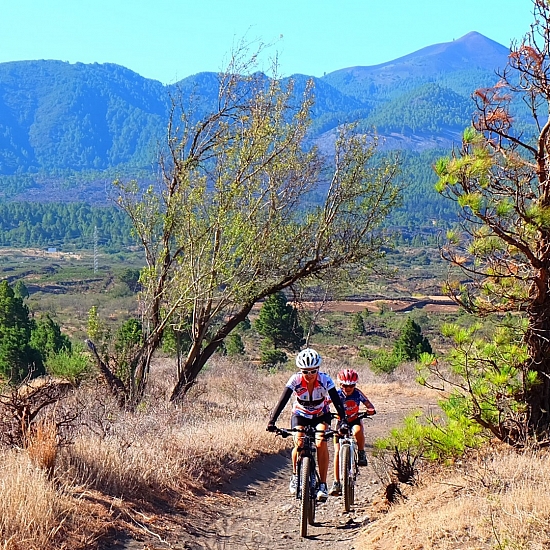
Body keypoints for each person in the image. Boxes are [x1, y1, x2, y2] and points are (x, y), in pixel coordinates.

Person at [266, 348, 347, 502]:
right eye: (305, 371)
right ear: (300, 370)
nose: (309, 375)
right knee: (299, 441)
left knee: (321, 441)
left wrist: (343, 420)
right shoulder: (295, 380)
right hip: (300, 414)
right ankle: (296, 476)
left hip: (320, 414)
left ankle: (322, 484)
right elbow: (282, 401)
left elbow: (337, 401)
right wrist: (272, 421)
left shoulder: (325, 380)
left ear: (318, 369)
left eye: (312, 371)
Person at [329, 368, 376, 496]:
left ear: (355, 385)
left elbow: (368, 403)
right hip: (340, 422)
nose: (348, 388)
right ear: (340, 384)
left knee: (357, 431)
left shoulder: (357, 393)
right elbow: (325, 403)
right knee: (337, 452)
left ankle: (361, 452)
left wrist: (370, 409)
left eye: (351, 385)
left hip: (355, 419)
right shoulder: (337, 394)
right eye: (345, 385)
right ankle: (336, 482)